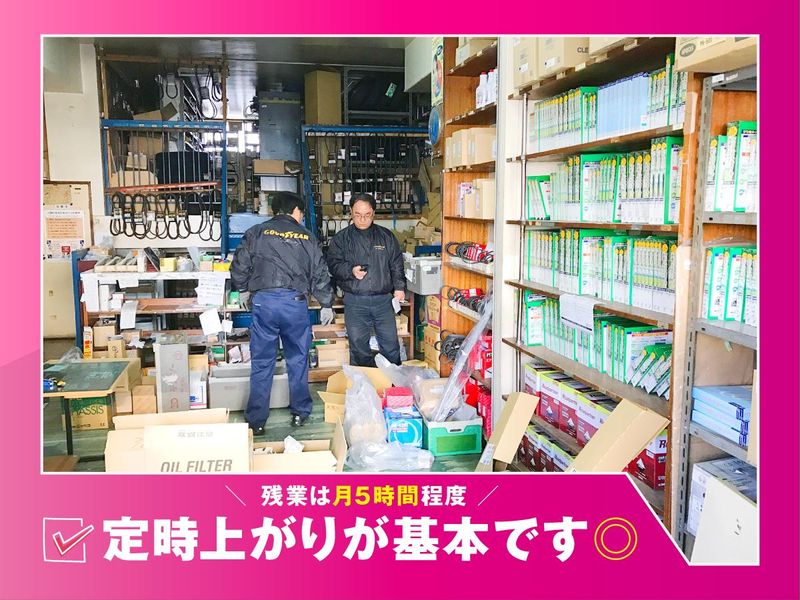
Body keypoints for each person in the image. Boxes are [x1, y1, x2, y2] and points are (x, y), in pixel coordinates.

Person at [230, 192, 335, 435]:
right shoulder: (307, 237)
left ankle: (257, 421)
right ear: (296, 211)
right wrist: (326, 303)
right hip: (294, 304)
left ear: (274, 210)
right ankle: (300, 413)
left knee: (262, 362)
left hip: (264, 303)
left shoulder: (256, 232)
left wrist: (242, 289)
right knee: (297, 359)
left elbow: (239, 263)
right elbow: (320, 272)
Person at [326, 193, 406, 367]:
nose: (362, 219)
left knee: (390, 345)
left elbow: (396, 264)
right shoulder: (341, 239)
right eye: (357, 215)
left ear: (374, 213)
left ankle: (392, 382)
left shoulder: (386, 236)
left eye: (367, 215)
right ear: (351, 212)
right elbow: (333, 265)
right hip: (355, 301)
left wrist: (399, 287)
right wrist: (350, 271)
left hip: (383, 301)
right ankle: (364, 381)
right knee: (358, 347)